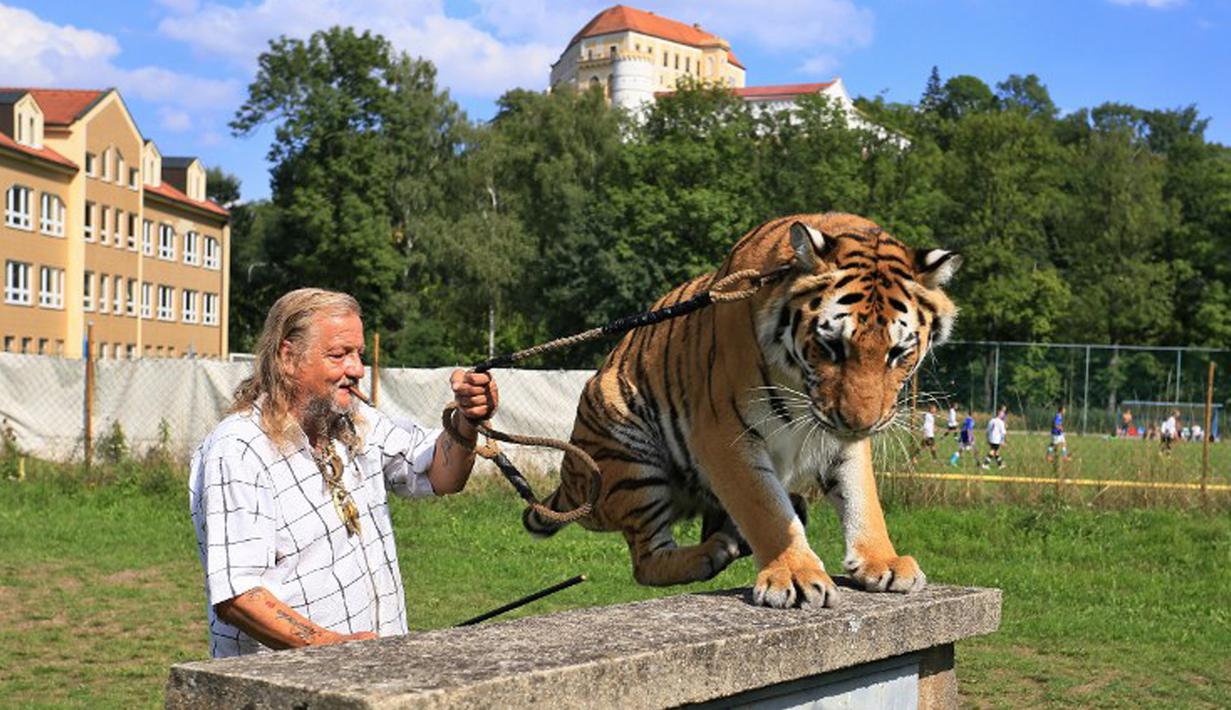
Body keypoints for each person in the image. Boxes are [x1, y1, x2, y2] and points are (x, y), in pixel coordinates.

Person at [188, 288, 499, 658]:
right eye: (339, 355)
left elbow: (440, 473)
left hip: (365, 673)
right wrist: (332, 648)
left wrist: (467, 419)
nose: (357, 370)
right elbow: (239, 595)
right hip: (284, 688)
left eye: (358, 354)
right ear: (288, 357)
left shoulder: (353, 424)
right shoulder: (240, 448)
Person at [981, 406, 1007, 470]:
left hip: (991, 438)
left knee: (996, 452)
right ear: (1000, 414)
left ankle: (1000, 465)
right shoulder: (1001, 422)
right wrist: (1002, 440)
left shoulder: (992, 420)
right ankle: (985, 464)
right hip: (997, 439)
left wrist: (987, 438)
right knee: (993, 451)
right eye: (1002, 413)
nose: (1003, 414)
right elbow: (1003, 432)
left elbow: (988, 430)